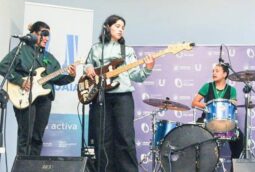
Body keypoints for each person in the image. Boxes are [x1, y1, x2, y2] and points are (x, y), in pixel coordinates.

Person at [85, 14, 155, 172]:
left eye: (123, 27)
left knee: (125, 138)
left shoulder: (127, 51)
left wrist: (148, 67)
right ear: (107, 27)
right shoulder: (96, 48)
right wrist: (88, 68)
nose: (121, 29)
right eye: (117, 26)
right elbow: (88, 64)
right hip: (100, 96)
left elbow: (137, 75)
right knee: (102, 139)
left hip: (122, 98)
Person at [0, 21, 76, 155]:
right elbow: (3, 66)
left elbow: (58, 79)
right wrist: (19, 81)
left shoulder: (49, 58)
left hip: (44, 100)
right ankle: (22, 167)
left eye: (48, 35)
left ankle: (33, 166)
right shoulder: (22, 50)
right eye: (44, 34)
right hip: (24, 95)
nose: (46, 38)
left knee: (37, 137)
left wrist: (70, 76)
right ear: (34, 34)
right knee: (25, 135)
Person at [192, 63, 244, 163]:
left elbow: (233, 105)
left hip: (226, 122)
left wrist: (231, 104)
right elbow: (194, 102)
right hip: (207, 121)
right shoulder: (207, 86)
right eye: (213, 71)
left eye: (217, 71)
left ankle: (234, 168)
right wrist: (206, 106)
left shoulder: (231, 89)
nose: (214, 73)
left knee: (239, 138)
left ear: (225, 74)